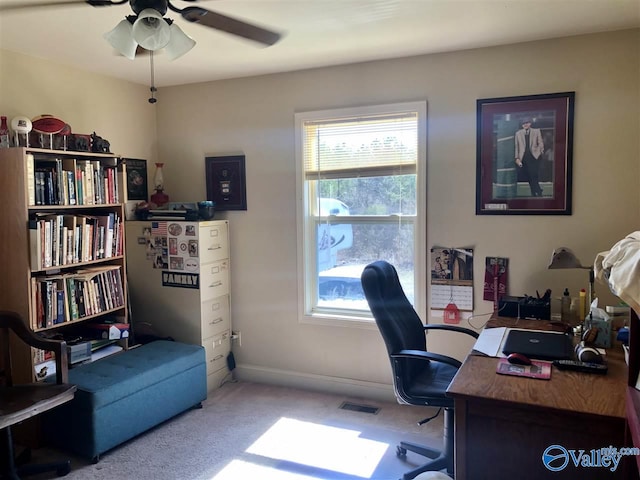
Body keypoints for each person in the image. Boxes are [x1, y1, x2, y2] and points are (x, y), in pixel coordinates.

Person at [514, 117, 545, 197]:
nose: (525, 124)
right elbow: (516, 146)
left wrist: (540, 151)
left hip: (534, 156)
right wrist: (517, 157)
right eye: (524, 123)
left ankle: (536, 192)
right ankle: (536, 191)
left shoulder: (536, 131)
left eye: (527, 123)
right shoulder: (518, 133)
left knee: (533, 174)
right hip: (523, 157)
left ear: (530, 123)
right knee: (529, 176)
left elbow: (540, 142)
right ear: (522, 125)